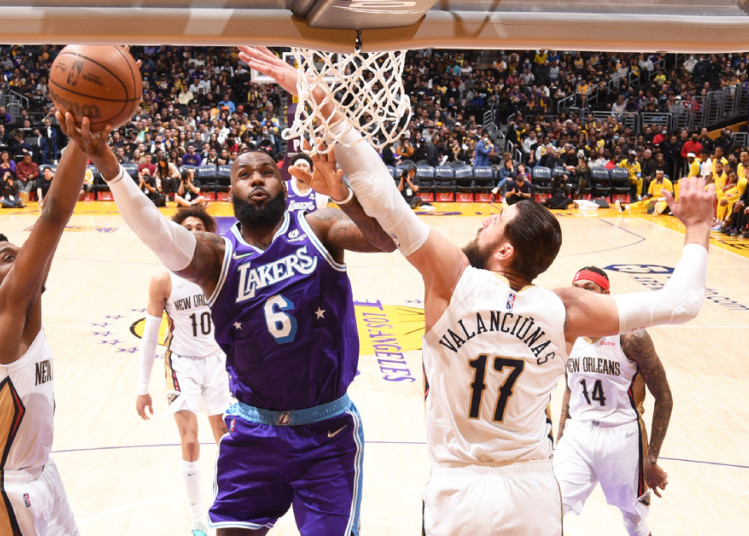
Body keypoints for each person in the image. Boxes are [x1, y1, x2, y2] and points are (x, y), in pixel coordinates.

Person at [239, 44, 712, 536]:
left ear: (505, 251)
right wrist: (698, 229)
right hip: (529, 490)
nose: (485, 220)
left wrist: (318, 97)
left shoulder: (452, 278)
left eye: (495, 222)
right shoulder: (564, 308)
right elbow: (682, 303)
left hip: (457, 489)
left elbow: (382, 194)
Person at [62, 103, 396, 535]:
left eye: (266, 171)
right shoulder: (215, 256)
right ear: (231, 191)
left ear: (281, 183)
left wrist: (346, 196)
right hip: (254, 431)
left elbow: (388, 238)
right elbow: (158, 234)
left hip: (326, 431)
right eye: (244, 173)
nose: (256, 178)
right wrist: (108, 164)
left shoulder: (321, 226)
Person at [0, 114, 88, 535]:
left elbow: (52, 231)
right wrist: (82, 139)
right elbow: (52, 216)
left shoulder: (24, 307)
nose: (22, 258)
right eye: (8, 257)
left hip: (40, 474)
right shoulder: (2, 309)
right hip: (1, 492)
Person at [554, 267, 674, 536]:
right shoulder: (567, 335)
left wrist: (651, 457)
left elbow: (664, 397)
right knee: (549, 511)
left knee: (634, 522)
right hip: (578, 436)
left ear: (606, 295)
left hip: (622, 437)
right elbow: (569, 391)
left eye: (590, 288)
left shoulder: (632, 337)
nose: (582, 294)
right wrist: (559, 439)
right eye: (578, 288)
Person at [136, 207, 233, 536]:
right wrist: (142, 387)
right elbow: (150, 337)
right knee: (190, 441)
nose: (192, 232)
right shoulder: (163, 277)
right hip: (182, 364)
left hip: (218, 361)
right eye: (186, 227)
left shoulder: (219, 269)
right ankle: (196, 519)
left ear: (208, 232)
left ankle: (225, 508)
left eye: (198, 226)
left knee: (227, 441)